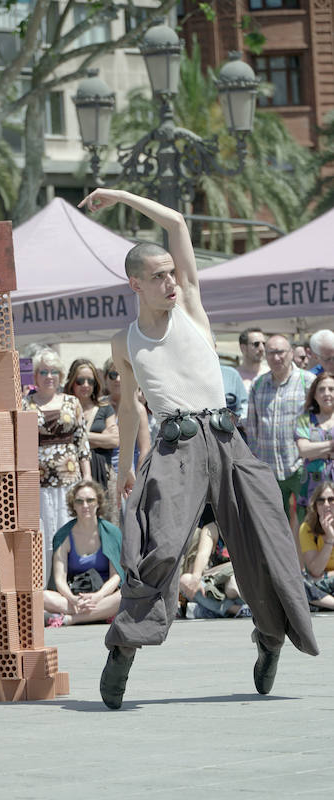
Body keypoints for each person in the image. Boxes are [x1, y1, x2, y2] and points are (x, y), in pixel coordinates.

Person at [78, 187, 318, 710]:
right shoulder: (124, 343)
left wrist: (115, 195)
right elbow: (128, 409)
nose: (170, 281)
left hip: (227, 438)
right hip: (174, 446)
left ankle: (270, 639)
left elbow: (178, 223)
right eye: (158, 275)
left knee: (265, 538)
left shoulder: (190, 303)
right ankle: (124, 650)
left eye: (171, 272)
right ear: (134, 282)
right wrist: (125, 466)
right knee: (159, 547)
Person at [23, 348, 91, 583]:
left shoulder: (72, 403)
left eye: (54, 371)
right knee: (41, 538)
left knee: (69, 535)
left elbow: (82, 442)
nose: (49, 376)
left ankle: (71, 586)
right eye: (44, 371)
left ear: (61, 376)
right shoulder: (25, 404)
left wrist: (87, 480)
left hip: (69, 481)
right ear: (35, 377)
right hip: (37, 483)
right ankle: (43, 590)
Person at [246, 334, 315, 518]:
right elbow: (252, 429)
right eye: (271, 353)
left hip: (301, 468)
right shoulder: (258, 384)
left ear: (291, 353)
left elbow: (317, 421)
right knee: (275, 525)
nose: (276, 358)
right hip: (269, 471)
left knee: (306, 522)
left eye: (280, 352)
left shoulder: (307, 381)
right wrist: (257, 461)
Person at [44, 479, 123, 626]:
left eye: (90, 500)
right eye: (79, 501)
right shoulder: (63, 535)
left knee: (124, 595)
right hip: (75, 596)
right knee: (42, 597)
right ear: (73, 505)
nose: (85, 505)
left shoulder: (111, 532)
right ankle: (102, 614)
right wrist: (73, 599)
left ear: (98, 502)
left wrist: (98, 596)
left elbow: (116, 576)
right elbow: (60, 578)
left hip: (104, 595)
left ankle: (70, 619)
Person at [65, 358, 119, 520]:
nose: (86, 385)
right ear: (72, 381)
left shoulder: (105, 408)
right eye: (80, 381)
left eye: (91, 381)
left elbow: (114, 441)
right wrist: (100, 437)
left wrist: (78, 436)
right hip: (73, 472)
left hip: (104, 473)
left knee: (108, 523)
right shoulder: (64, 409)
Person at [179, 522, 250, 619]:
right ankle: (237, 610)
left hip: (243, 585)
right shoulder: (211, 529)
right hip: (216, 584)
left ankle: (213, 610)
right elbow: (203, 554)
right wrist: (196, 576)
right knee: (186, 580)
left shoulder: (248, 528)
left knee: (232, 587)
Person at [102, 358, 151, 474]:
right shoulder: (98, 406)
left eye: (122, 375)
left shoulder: (138, 409)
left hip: (129, 475)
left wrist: (138, 484)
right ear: (105, 378)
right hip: (101, 473)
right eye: (113, 375)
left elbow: (144, 450)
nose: (118, 379)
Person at [295, 373, 334, 511]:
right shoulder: (305, 420)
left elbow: (310, 451)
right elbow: (304, 450)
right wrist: (331, 446)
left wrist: (316, 451)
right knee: (313, 528)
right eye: (321, 389)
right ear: (314, 395)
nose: (326, 393)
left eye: (331, 389)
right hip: (312, 485)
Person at [299, 481, 334, 611]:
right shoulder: (307, 528)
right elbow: (316, 570)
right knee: (297, 584)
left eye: (331, 499)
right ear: (315, 506)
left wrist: (326, 576)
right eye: (321, 501)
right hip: (318, 584)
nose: (326, 505)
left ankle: (322, 602)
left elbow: (319, 575)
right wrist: (330, 539)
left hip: (324, 582)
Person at [236, 328, 268, 392]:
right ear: (243, 348)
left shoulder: (271, 374)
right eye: (256, 344)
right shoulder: (235, 377)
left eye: (264, 344)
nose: (262, 348)